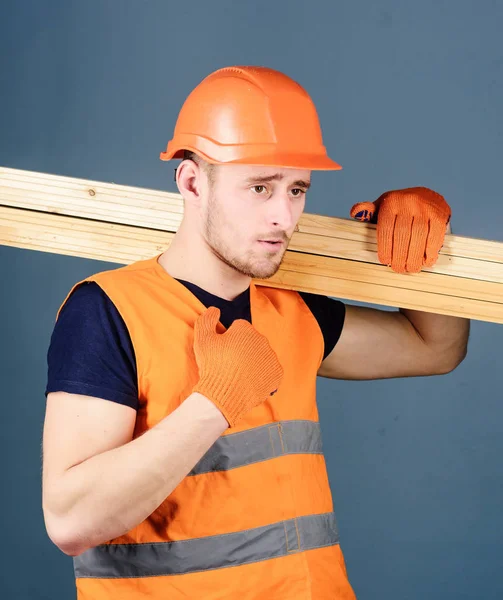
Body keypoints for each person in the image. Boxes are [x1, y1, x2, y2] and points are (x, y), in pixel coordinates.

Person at [42, 66, 470, 599]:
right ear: (192, 181)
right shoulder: (108, 311)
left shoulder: (293, 313)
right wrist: (213, 404)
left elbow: (437, 348)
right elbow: (71, 521)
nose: (283, 217)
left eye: (296, 189)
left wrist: (433, 254)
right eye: (260, 187)